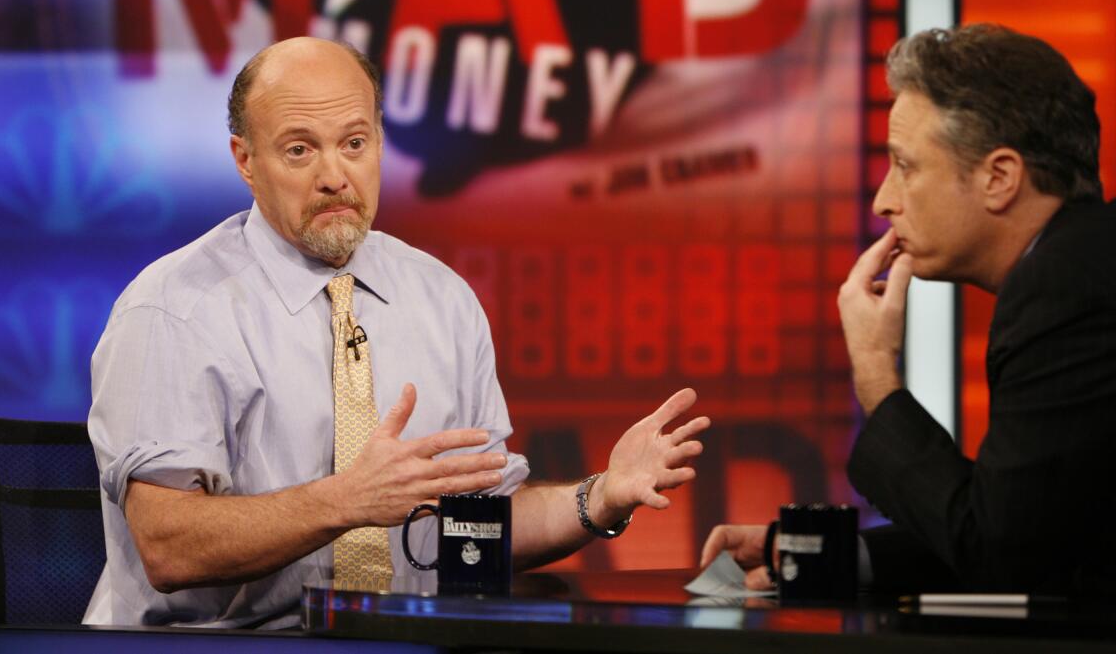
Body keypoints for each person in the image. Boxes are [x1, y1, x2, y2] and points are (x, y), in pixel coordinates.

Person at [85, 36, 709, 627]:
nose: (334, 176)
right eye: (300, 149)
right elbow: (168, 547)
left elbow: (477, 525)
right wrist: (347, 501)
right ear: (245, 161)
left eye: (354, 143)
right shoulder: (173, 310)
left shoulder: (441, 299)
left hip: (404, 640)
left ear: (380, 143)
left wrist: (598, 498)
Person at [700, 23, 1116, 595]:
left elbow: (1004, 557)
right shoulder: (1080, 264)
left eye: (907, 166)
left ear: (999, 177)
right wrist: (823, 552)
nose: (883, 200)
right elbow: (1036, 526)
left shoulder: (1062, 289)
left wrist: (875, 372)